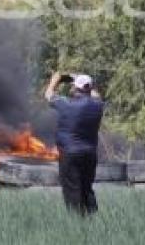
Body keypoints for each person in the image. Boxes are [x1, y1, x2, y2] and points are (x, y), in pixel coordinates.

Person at [44, 71, 104, 216]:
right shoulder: (98, 106)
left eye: (73, 85)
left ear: (76, 89)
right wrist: (80, 80)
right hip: (90, 154)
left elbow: (48, 95)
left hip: (70, 155)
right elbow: (95, 95)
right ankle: (92, 221)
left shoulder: (66, 104)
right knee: (86, 188)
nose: (71, 87)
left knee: (72, 190)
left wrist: (55, 79)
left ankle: (77, 223)